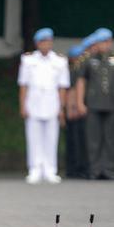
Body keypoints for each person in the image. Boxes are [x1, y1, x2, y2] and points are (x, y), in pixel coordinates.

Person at [17, 28, 70, 183]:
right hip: (33, 102)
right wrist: (23, 105)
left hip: (52, 102)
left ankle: (50, 169)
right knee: (33, 138)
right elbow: (23, 85)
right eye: (42, 42)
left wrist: (62, 108)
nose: (45, 44)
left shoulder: (60, 61)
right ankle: (34, 169)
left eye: (48, 41)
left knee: (51, 138)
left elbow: (62, 87)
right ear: (37, 44)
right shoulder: (28, 60)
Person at [76, 28, 114, 180]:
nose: (104, 45)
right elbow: (81, 81)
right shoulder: (88, 59)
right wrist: (80, 102)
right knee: (93, 139)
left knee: (111, 139)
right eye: (101, 42)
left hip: (112, 103)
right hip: (93, 103)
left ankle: (110, 170)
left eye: (106, 41)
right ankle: (95, 170)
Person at [64, 41, 91, 179]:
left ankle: (78, 167)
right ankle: (75, 168)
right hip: (75, 110)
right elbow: (71, 91)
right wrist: (71, 108)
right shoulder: (74, 70)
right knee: (75, 141)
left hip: (80, 108)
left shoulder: (77, 69)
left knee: (79, 140)